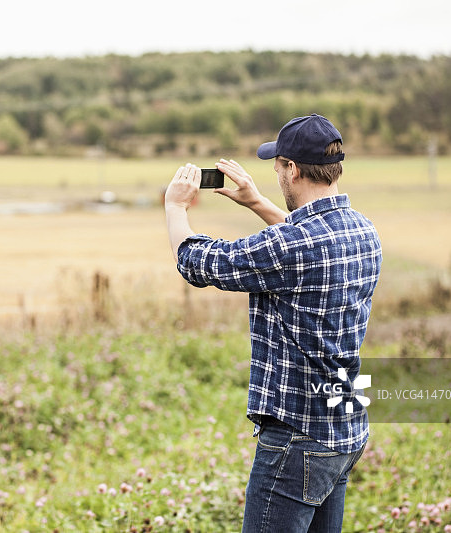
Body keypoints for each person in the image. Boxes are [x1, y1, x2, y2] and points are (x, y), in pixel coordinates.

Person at [163, 114, 382, 533]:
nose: (276, 173)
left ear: (293, 169)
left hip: (297, 439)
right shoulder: (363, 231)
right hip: (344, 429)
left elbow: (196, 262)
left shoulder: (291, 246)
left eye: (278, 165)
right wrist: (256, 202)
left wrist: (175, 207)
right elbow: (310, 245)